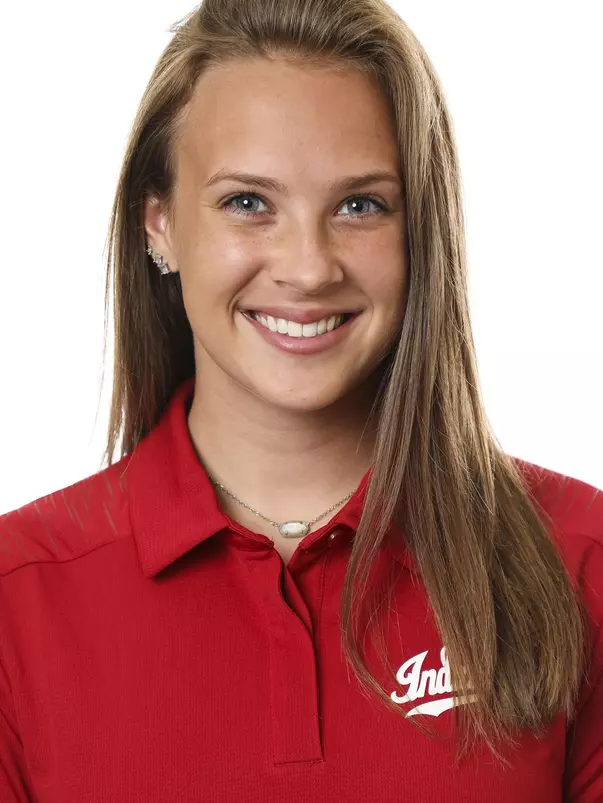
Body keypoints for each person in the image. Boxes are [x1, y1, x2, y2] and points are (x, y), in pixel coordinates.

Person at [1, 0, 601, 800]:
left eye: (360, 205)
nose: (309, 267)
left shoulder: (580, 563)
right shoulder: (18, 600)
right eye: (248, 201)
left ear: (421, 230)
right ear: (159, 226)